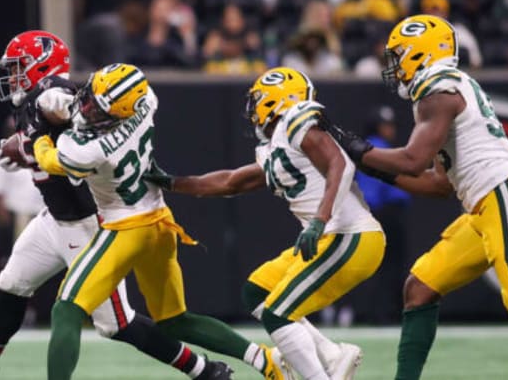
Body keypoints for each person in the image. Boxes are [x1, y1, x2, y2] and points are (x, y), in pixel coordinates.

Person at [0, 32, 234, 380]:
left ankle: (204, 370)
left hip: (87, 225)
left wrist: (33, 146)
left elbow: (69, 110)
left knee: (116, 324)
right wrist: (26, 148)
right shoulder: (32, 101)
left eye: (19, 67)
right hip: (53, 219)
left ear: (40, 65)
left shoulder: (51, 94)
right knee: (13, 283)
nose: (14, 76)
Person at [32, 63, 296, 380]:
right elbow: (94, 108)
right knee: (175, 319)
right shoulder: (146, 103)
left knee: (67, 309)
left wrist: (38, 134)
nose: (88, 111)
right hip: (159, 221)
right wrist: (76, 103)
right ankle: (267, 361)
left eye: (97, 109)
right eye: (89, 100)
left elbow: (50, 158)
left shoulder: (86, 150)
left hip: (125, 229)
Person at [144, 67, 386, 380]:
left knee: (278, 314)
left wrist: (319, 220)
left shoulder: (295, 119)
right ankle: (332, 354)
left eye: (258, 101)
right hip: (331, 236)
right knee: (257, 291)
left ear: (277, 99)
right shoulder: (277, 145)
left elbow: (340, 164)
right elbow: (230, 182)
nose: (253, 111)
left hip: (348, 234)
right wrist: (172, 182)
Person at [322, 14, 508, 380]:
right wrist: (368, 162)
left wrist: (356, 149)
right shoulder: (441, 89)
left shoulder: (439, 90)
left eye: (399, 55)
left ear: (422, 53)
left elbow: (413, 161)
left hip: (503, 193)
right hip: (482, 206)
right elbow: (437, 183)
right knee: (421, 287)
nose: (394, 65)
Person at [353, 106, 411, 324]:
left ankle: (382, 311)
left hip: (380, 213)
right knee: (389, 266)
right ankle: (383, 313)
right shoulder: (376, 149)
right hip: (383, 214)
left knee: (385, 266)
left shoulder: (373, 148)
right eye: (385, 125)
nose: (390, 129)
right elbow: (371, 193)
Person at [420, 0, 482, 69]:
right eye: (430, 11)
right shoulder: (417, 34)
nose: (434, 15)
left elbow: (476, 62)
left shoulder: (459, 31)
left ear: (446, 13)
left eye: (438, 11)